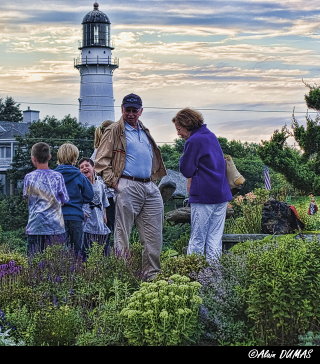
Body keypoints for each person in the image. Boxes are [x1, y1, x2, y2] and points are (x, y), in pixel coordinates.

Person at [94, 93, 167, 281]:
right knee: (122, 233)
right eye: (128, 110)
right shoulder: (114, 131)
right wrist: (116, 183)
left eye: (135, 110)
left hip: (149, 185)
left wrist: (153, 179)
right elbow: (100, 161)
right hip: (127, 184)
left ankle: (152, 276)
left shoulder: (144, 130)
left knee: (154, 235)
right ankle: (123, 275)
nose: (131, 114)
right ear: (122, 109)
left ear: (141, 111)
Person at [172, 108, 232, 262]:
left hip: (204, 195)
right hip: (221, 194)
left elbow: (186, 169)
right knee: (214, 239)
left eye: (179, 129)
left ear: (186, 124)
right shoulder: (210, 136)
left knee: (197, 239)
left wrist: (183, 158)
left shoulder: (193, 141)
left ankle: (193, 275)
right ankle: (214, 276)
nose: (179, 134)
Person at [23, 142, 69, 257]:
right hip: (55, 226)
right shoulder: (58, 176)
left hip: (35, 225)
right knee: (57, 263)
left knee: (34, 262)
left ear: (33, 159)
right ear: (49, 157)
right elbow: (64, 200)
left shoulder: (29, 177)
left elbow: (27, 198)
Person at [54, 143, 94, 258]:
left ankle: (60, 274)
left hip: (58, 217)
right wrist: (78, 200)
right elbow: (89, 195)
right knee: (77, 251)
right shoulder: (79, 175)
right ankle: (77, 273)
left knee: (60, 252)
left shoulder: (53, 175)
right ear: (75, 158)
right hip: (76, 216)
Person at [78, 157, 111, 257]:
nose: (84, 168)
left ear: (93, 167)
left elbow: (104, 201)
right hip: (87, 225)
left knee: (102, 255)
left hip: (100, 224)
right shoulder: (79, 185)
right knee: (86, 255)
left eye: (87, 165)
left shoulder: (100, 185)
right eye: (81, 167)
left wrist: (104, 215)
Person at [91, 120, 116, 243]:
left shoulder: (98, 150)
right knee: (110, 226)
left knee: (110, 226)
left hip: (105, 194)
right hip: (108, 194)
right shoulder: (102, 151)